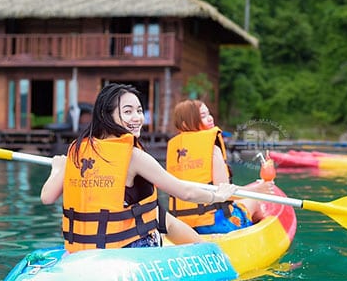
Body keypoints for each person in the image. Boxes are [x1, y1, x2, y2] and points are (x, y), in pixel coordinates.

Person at [40, 83, 237, 253]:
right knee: (159, 216)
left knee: (157, 213)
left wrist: (57, 169)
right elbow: (185, 192)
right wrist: (218, 196)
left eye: (139, 111)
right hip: (125, 250)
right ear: (106, 115)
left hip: (84, 248)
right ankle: (207, 253)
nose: (137, 118)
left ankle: (202, 247)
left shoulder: (77, 151)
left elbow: (46, 197)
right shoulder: (134, 156)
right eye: (127, 112)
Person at [166, 99, 273, 234]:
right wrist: (257, 189)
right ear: (186, 123)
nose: (210, 118)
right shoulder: (212, 150)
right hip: (215, 225)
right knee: (254, 201)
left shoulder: (174, 148)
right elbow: (226, 193)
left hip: (183, 226)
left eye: (208, 114)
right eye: (203, 116)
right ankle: (256, 236)